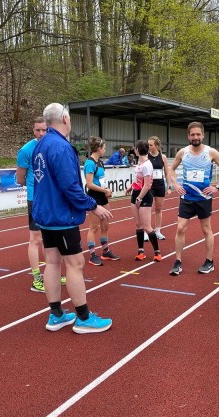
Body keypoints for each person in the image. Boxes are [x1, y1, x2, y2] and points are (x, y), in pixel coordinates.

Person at [32, 103, 113, 334]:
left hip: (46, 214)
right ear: (65, 118)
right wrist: (93, 206)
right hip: (61, 215)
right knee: (75, 264)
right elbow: (70, 186)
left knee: (52, 262)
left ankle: (56, 314)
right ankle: (84, 318)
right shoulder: (61, 146)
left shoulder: (40, 145)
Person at [168, 121, 219, 275]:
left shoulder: (211, 152)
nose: (195, 137)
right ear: (188, 136)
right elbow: (171, 168)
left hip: (204, 198)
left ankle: (209, 261)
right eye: (192, 134)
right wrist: (175, 184)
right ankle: (178, 261)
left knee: (206, 229)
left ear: (203, 135)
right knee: (180, 228)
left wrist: (217, 187)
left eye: (198, 134)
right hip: (186, 197)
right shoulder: (183, 152)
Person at [16, 117, 66, 292]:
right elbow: (19, 178)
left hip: (51, 198)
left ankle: (53, 272)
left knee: (51, 237)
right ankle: (37, 278)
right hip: (35, 199)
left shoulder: (53, 146)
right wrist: (35, 187)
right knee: (35, 238)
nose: (41, 133)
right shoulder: (26, 150)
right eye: (38, 130)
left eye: (44, 130)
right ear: (33, 130)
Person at [83, 136, 120, 266]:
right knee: (94, 227)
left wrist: (107, 190)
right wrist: (104, 191)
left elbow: (101, 181)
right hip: (94, 197)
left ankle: (105, 251)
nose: (105, 150)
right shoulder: (90, 163)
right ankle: (92, 255)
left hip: (102, 196)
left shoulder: (100, 162)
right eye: (104, 148)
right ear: (99, 148)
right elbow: (89, 184)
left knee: (105, 225)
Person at [128, 139, 162, 262]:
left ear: (137, 150)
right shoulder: (139, 163)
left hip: (144, 196)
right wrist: (131, 186)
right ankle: (141, 251)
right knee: (138, 225)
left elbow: (147, 185)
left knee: (147, 226)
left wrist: (139, 198)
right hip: (136, 194)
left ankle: (157, 252)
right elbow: (138, 180)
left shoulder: (147, 165)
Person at [147, 136, 172, 241]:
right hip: (149, 185)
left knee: (158, 208)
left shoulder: (163, 157)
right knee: (147, 208)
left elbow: (167, 173)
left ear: (156, 146)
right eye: (148, 144)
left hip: (160, 184)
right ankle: (146, 231)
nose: (149, 147)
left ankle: (157, 231)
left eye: (151, 145)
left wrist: (169, 186)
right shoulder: (146, 156)